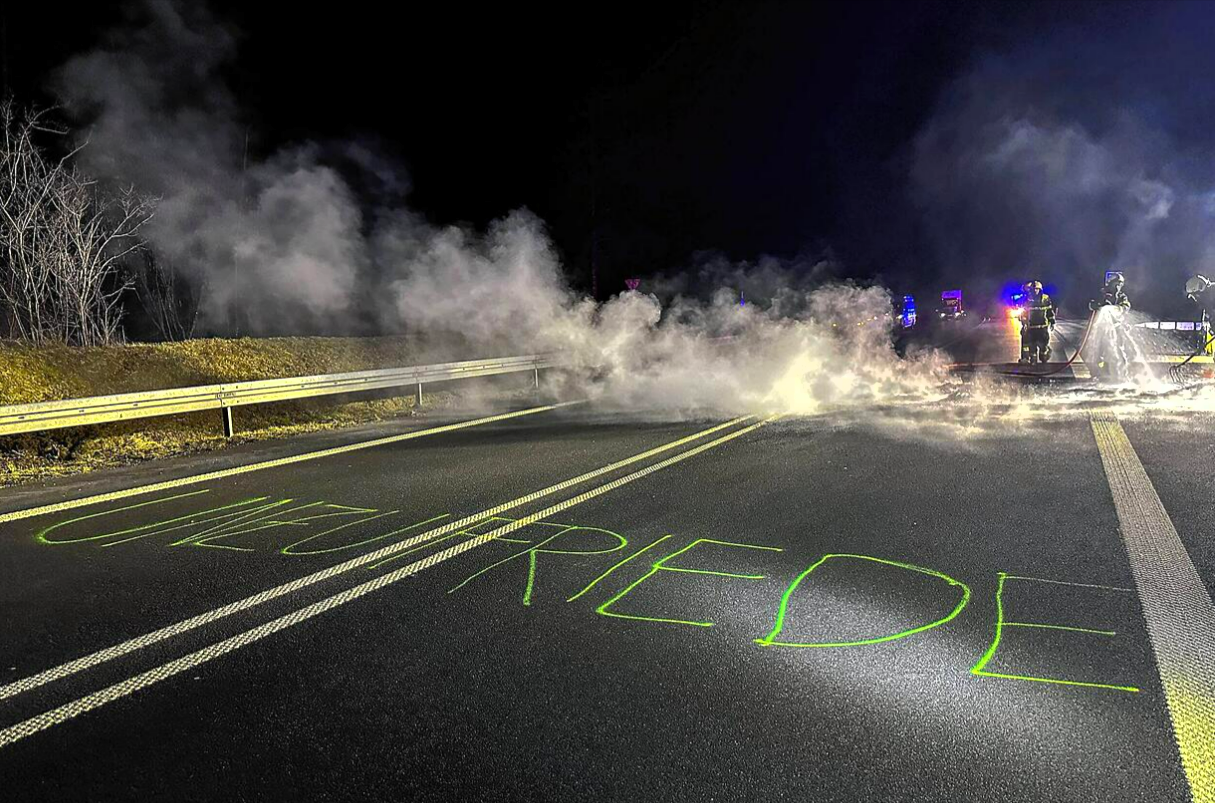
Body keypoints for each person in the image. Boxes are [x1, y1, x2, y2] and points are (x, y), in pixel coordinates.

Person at [1088, 272, 1133, 378]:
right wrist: (1097, 306)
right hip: (1102, 328)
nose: (1118, 287)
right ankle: (1097, 374)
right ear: (1110, 283)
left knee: (1119, 351)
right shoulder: (1101, 294)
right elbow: (1091, 304)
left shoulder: (1122, 296)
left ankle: (1123, 375)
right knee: (1099, 352)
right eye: (1116, 284)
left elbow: (1126, 306)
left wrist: (1118, 309)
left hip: (1116, 328)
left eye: (1120, 284)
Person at [1018, 280, 1055, 364]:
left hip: (1043, 328)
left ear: (1040, 289)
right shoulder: (1027, 300)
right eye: (1034, 289)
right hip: (1031, 327)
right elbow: (1024, 313)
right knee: (1032, 348)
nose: (1035, 291)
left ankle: (1045, 354)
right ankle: (1032, 361)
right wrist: (1024, 323)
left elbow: (1049, 311)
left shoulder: (1045, 299)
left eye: (1037, 289)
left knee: (1043, 350)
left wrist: (1052, 322)